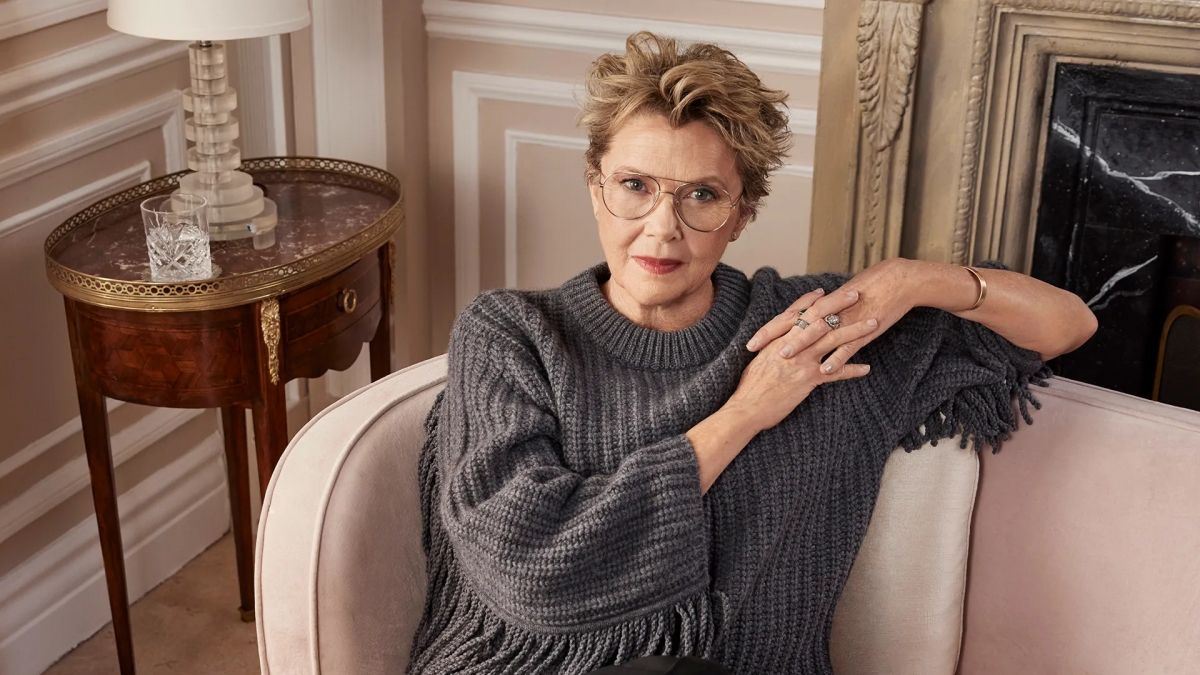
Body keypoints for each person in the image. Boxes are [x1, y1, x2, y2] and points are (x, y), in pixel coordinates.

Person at [407, 32, 1096, 675]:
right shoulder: (513, 334)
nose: (662, 227)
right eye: (635, 185)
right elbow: (526, 570)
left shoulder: (815, 330)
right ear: (596, 188)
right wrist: (746, 411)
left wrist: (912, 280)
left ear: (741, 215)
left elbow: (1067, 325)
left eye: (702, 195)